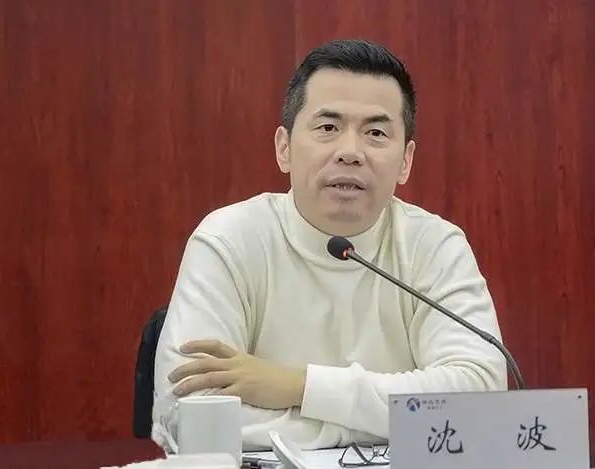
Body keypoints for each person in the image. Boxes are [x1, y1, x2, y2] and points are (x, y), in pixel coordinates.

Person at [152, 38, 507, 453]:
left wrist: (300, 386)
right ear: (284, 148)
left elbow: (480, 396)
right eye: (327, 128)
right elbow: (191, 415)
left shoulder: (435, 246)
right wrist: (366, 429)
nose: (350, 152)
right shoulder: (228, 239)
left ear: (406, 161)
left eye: (376, 132)